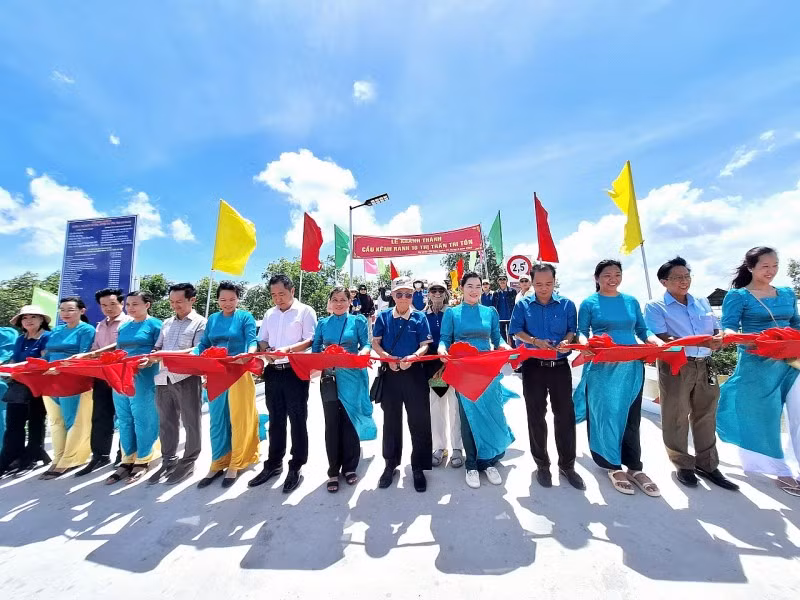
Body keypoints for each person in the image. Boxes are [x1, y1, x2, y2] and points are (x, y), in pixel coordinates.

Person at [645, 257, 738, 491]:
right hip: (677, 364)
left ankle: (707, 464)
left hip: (706, 363)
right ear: (664, 282)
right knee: (676, 414)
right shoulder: (656, 306)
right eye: (677, 278)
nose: (684, 281)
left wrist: (718, 338)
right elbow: (663, 337)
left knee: (706, 413)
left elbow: (715, 328)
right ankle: (683, 465)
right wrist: (694, 342)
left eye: (687, 276)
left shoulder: (702, 302)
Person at [572, 260, 664, 497]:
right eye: (607, 275)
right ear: (596, 278)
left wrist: (654, 341)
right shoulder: (589, 303)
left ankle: (635, 466)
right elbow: (582, 331)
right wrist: (585, 345)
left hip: (631, 366)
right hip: (602, 365)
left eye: (617, 274)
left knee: (632, 417)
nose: (612, 279)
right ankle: (612, 465)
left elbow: (643, 331)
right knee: (606, 414)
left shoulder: (631, 301)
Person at [716, 247, 800, 496]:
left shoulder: (786, 293)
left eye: (775, 265)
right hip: (758, 362)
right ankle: (779, 470)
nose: (771, 271)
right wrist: (739, 338)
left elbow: (796, 324)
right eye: (765, 266)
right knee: (764, 417)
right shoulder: (738, 296)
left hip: (792, 361)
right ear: (750, 267)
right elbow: (729, 328)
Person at [510, 264, 584, 490]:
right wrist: (533, 341)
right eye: (539, 284)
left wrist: (567, 340)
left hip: (560, 366)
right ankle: (542, 464)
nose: (544, 288)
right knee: (536, 416)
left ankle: (567, 465)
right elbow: (516, 330)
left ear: (555, 281)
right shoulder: (523, 305)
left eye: (549, 284)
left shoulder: (567, 305)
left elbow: (573, 330)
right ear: (531, 283)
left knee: (565, 416)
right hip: (533, 367)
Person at [439, 271, 513, 489]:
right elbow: (444, 340)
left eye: (478, 286)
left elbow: (497, 340)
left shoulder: (490, 311)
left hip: (487, 370)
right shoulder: (452, 313)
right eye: (469, 286)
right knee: (469, 418)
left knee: (492, 415)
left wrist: (509, 349)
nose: (474, 290)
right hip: (464, 371)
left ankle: (488, 461)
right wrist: (443, 350)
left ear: (482, 288)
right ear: (462, 288)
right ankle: (471, 465)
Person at [250, 274, 317, 493]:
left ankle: (296, 465)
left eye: (281, 294)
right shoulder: (270, 313)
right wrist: (265, 350)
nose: (277, 299)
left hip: (295, 371)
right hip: (273, 371)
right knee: (276, 420)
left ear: (292, 291)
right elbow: (262, 338)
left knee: (297, 420)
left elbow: (311, 339)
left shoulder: (305, 311)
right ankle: (274, 464)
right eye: (273, 295)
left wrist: (288, 350)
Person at [195, 281, 260, 489]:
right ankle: (218, 462)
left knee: (239, 417)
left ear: (238, 299)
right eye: (223, 299)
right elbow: (204, 344)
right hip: (216, 374)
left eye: (232, 299)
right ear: (217, 300)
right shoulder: (213, 319)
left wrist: (248, 354)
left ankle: (237, 462)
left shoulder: (244, 317)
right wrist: (195, 357)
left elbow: (252, 341)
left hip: (238, 372)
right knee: (217, 419)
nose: (227, 303)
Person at [372, 276, 434, 492]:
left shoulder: (419, 317)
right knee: (391, 422)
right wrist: (387, 358)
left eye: (408, 294)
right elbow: (375, 343)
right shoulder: (382, 316)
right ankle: (390, 465)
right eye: (400, 294)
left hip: (414, 374)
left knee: (419, 421)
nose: (404, 298)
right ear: (393, 295)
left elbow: (424, 345)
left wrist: (413, 357)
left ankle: (418, 467)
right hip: (390, 375)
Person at [312, 287, 376, 493]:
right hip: (330, 378)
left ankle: (350, 467)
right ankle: (332, 470)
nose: (339, 303)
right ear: (330, 302)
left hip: (353, 377)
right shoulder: (322, 323)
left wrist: (360, 355)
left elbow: (366, 345)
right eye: (335, 299)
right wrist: (323, 355)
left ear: (350, 302)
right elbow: (315, 348)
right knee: (332, 423)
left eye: (343, 300)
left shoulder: (357, 321)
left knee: (350, 422)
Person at [145, 282, 207, 485]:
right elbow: (157, 347)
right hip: (163, 378)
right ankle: (169, 460)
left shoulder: (200, 323)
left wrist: (165, 355)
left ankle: (189, 461)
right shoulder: (166, 323)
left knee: (191, 422)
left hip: (187, 377)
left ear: (192, 300)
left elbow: (197, 350)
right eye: (172, 302)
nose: (175, 306)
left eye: (179, 301)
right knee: (166, 422)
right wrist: (153, 356)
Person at [101, 291, 163, 484]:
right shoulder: (124, 326)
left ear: (148, 305)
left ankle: (143, 459)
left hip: (144, 377)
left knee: (143, 418)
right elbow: (118, 349)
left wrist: (149, 360)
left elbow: (160, 350)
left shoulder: (156, 325)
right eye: (128, 304)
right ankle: (127, 459)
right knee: (124, 418)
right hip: (121, 376)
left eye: (135, 304)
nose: (131, 308)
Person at [74, 288, 132, 476]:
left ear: (122, 303)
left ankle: (124, 454)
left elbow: (118, 346)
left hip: (122, 374)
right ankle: (99, 455)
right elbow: (95, 348)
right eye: (104, 305)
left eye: (112, 304)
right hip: (102, 375)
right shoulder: (100, 326)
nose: (108, 308)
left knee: (125, 416)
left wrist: (93, 354)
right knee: (100, 416)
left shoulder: (129, 323)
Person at [39, 297, 96, 479]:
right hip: (50, 380)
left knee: (74, 421)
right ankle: (59, 457)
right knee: (56, 422)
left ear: (82, 311)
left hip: (73, 380)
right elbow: (48, 354)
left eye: (70, 309)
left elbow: (84, 355)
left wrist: (61, 367)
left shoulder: (86, 330)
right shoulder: (56, 331)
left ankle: (72, 460)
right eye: (62, 309)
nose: (65, 313)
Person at [0, 306, 50, 477]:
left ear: (42, 319)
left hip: (38, 384)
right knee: (14, 424)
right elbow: (14, 358)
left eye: (33, 317)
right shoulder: (20, 339)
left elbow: (44, 360)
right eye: (24, 318)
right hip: (19, 384)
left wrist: (21, 367)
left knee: (36, 422)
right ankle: (11, 457)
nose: (28, 320)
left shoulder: (47, 337)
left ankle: (32, 457)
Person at [425, 280, 464, 469]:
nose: (438, 293)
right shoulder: (423, 316)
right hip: (435, 371)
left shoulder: (454, 313)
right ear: (428, 293)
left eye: (441, 290)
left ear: (446, 292)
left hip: (454, 367)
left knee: (455, 408)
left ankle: (457, 448)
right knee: (437, 407)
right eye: (434, 290)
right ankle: (439, 448)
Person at [492, 275, 516, 343]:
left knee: (512, 337)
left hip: (510, 317)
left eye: (504, 279)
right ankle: (505, 351)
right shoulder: (496, 293)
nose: (502, 281)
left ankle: (513, 350)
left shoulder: (512, 291)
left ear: (507, 281)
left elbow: (515, 304)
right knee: (502, 337)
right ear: (498, 281)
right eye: (500, 279)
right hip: (500, 318)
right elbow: (494, 306)